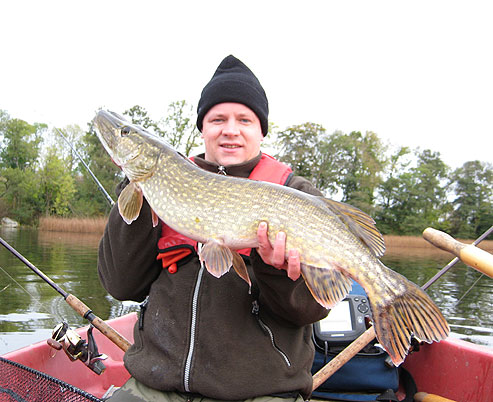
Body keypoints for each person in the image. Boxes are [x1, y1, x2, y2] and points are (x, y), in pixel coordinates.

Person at [98, 55, 328, 402]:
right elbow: (120, 285)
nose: (230, 130)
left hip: (260, 392)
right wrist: (136, 193)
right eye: (217, 118)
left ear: (261, 129)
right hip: (158, 387)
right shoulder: (161, 182)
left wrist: (276, 271)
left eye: (244, 120)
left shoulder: (297, 193)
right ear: (203, 128)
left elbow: (313, 307)